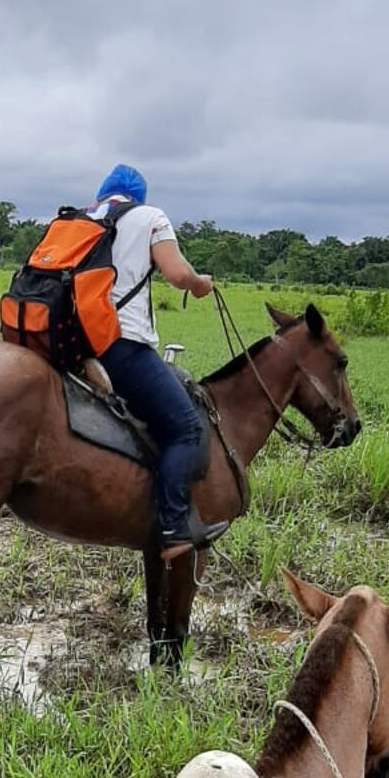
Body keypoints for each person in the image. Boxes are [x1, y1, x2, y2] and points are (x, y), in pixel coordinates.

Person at [90, 163, 228, 562]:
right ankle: (173, 527)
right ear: (139, 196)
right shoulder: (150, 217)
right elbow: (177, 273)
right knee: (185, 428)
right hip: (120, 345)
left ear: (105, 194)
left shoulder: (85, 217)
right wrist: (201, 283)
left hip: (73, 341)